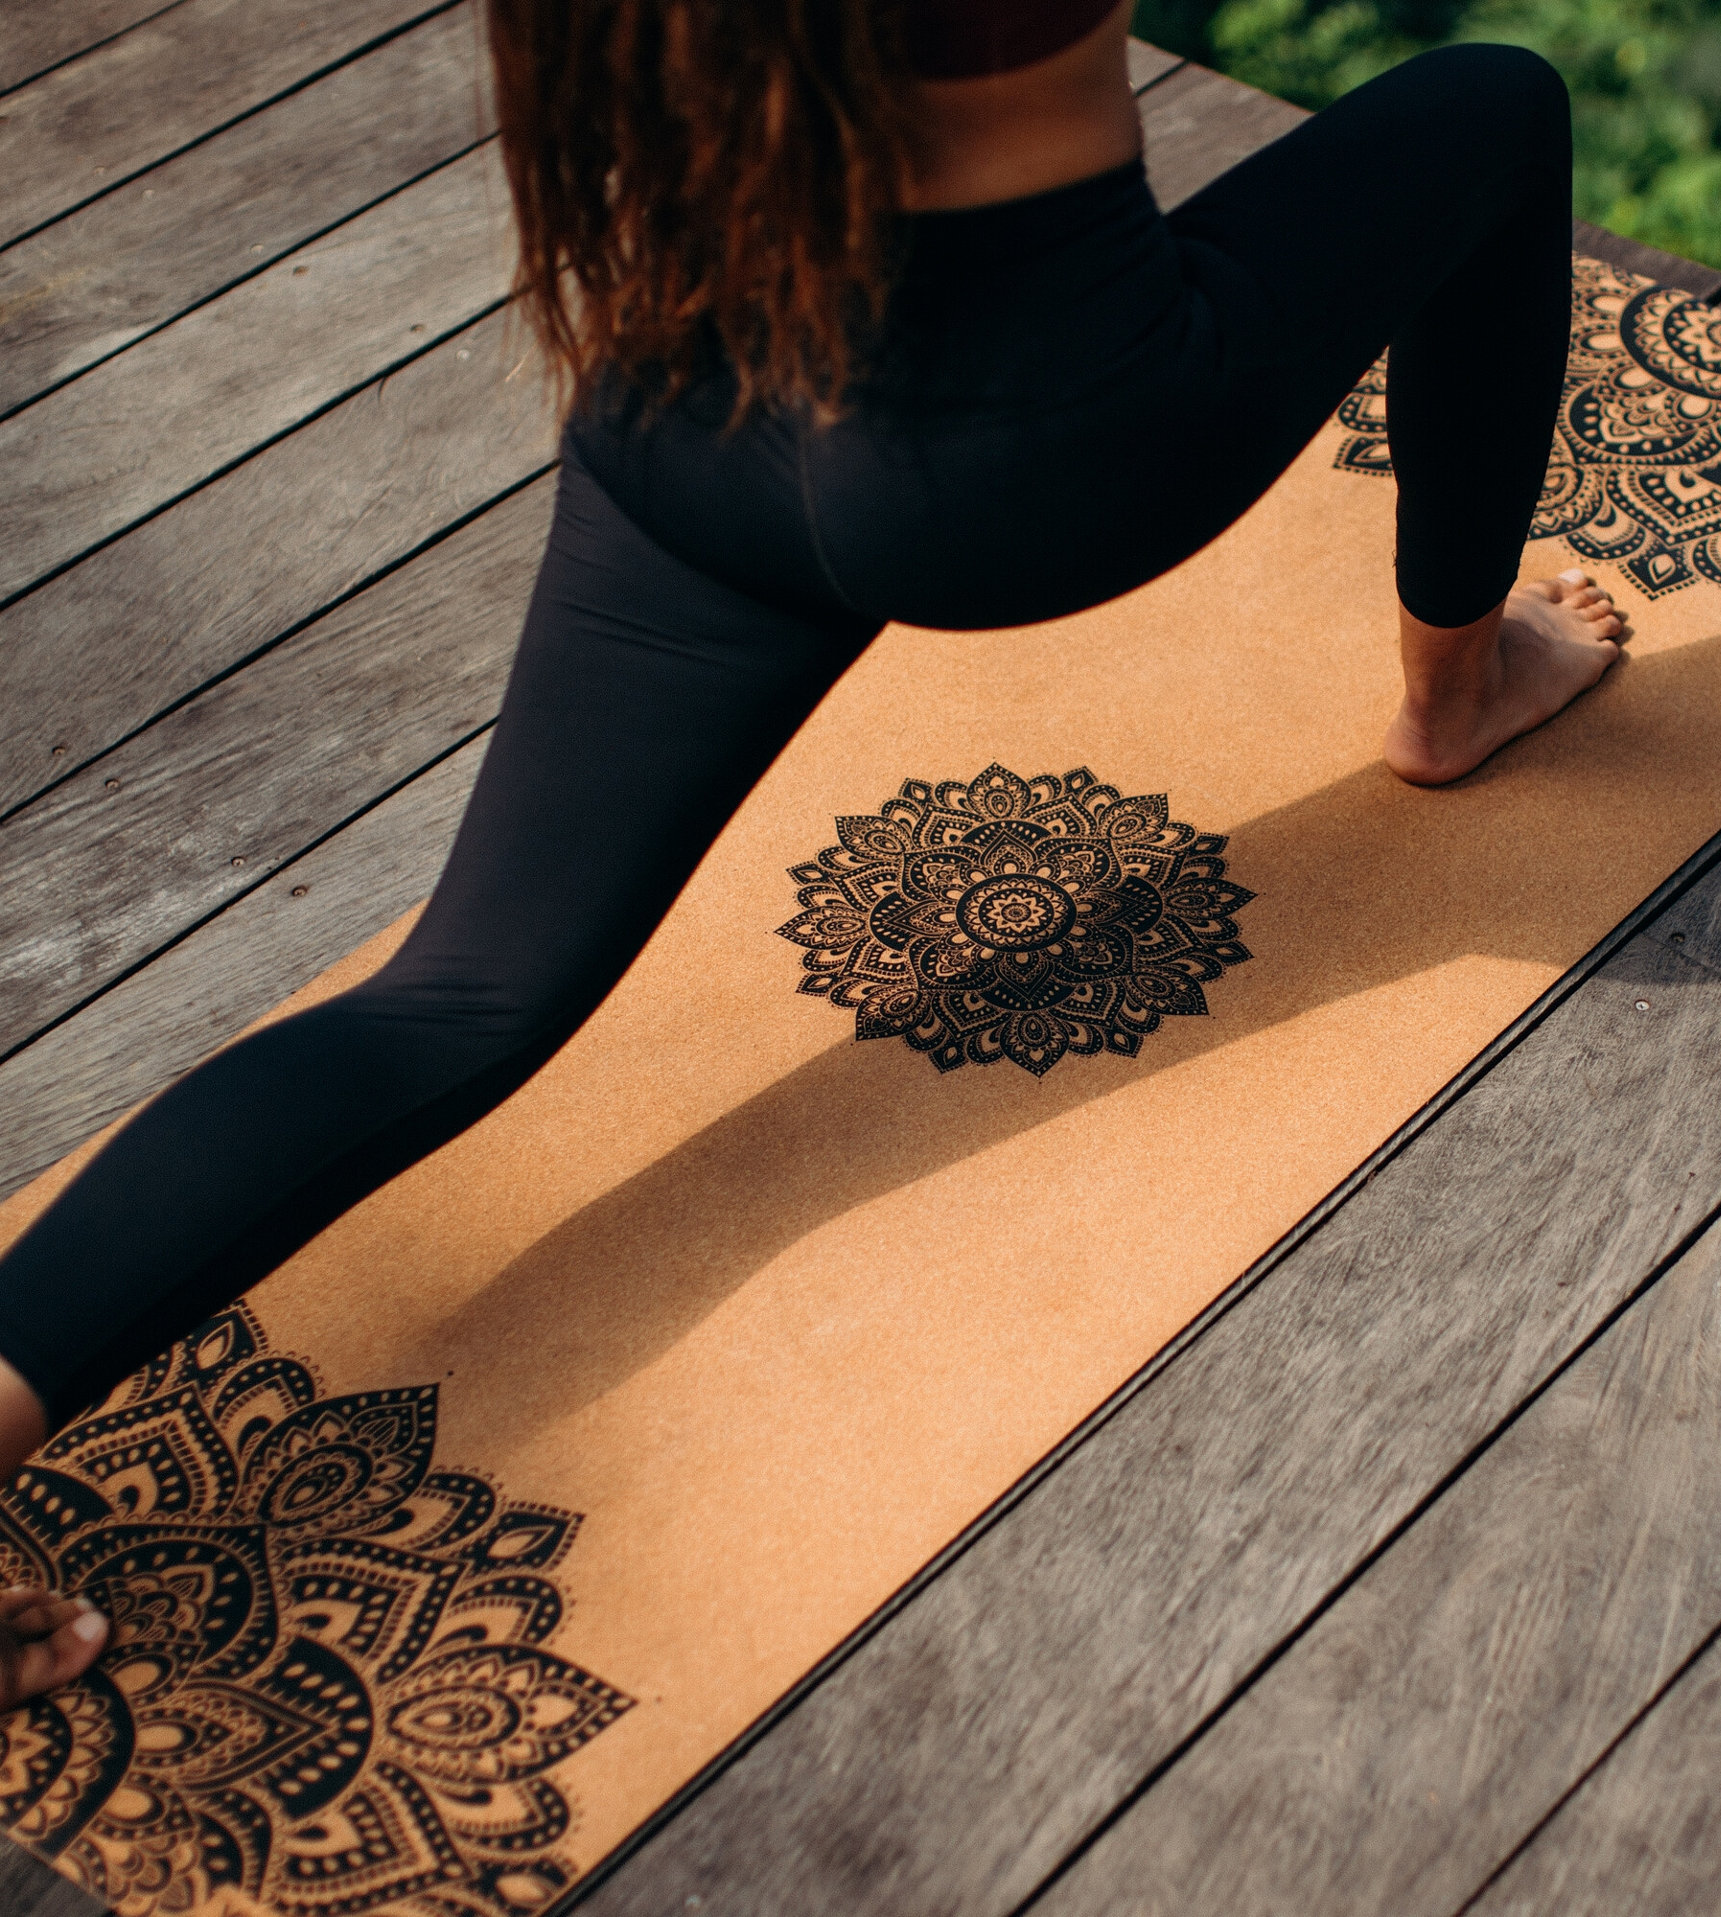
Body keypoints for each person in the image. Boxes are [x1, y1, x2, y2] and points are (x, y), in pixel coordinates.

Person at [0, 0, 1621, 1706]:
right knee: (1494, 106)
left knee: (456, 993)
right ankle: (1456, 685)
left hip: (692, 411)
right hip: (1019, 455)